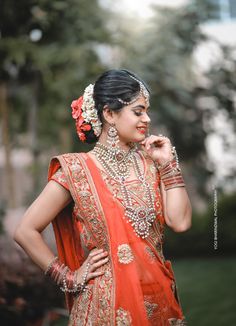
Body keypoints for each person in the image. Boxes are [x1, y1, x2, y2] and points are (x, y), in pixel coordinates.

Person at [14, 69, 192, 325]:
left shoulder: (153, 163)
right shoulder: (77, 170)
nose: (147, 119)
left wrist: (168, 165)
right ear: (109, 113)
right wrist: (67, 277)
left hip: (159, 300)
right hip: (105, 306)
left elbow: (180, 222)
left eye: (147, 111)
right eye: (138, 111)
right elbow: (25, 230)